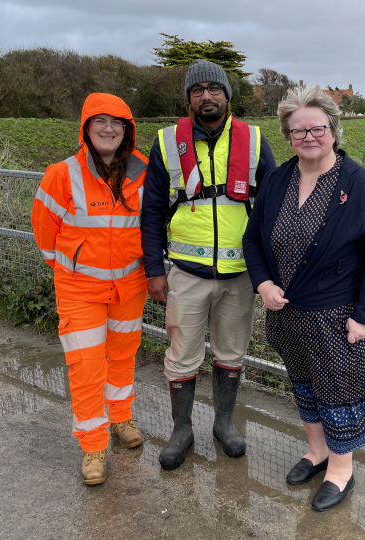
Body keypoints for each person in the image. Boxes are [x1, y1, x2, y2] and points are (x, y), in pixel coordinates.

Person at [242, 85, 365, 512]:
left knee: (338, 394)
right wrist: (262, 284)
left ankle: (340, 470)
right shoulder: (277, 180)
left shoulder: (364, 185)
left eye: (316, 129)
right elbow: (252, 240)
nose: (308, 137)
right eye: (298, 131)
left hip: (339, 316)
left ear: (333, 129)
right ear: (287, 136)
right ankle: (317, 452)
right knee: (304, 387)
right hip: (288, 313)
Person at [141, 60, 276, 470]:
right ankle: (181, 429)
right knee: (182, 357)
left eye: (213, 89)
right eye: (197, 90)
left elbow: (272, 208)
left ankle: (223, 423)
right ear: (188, 99)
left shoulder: (254, 140)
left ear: (227, 95)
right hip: (185, 273)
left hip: (239, 277)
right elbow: (151, 213)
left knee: (231, 353)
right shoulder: (167, 143)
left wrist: (267, 272)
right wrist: (154, 270)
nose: (206, 97)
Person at [31, 93, 149, 485]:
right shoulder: (62, 173)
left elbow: (152, 226)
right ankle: (93, 444)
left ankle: (120, 418)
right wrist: (75, 267)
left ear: (128, 130)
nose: (109, 128)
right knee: (85, 367)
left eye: (118, 122)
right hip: (79, 290)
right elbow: (45, 236)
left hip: (130, 287)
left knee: (122, 356)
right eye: (100, 120)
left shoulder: (144, 170)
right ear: (86, 127)